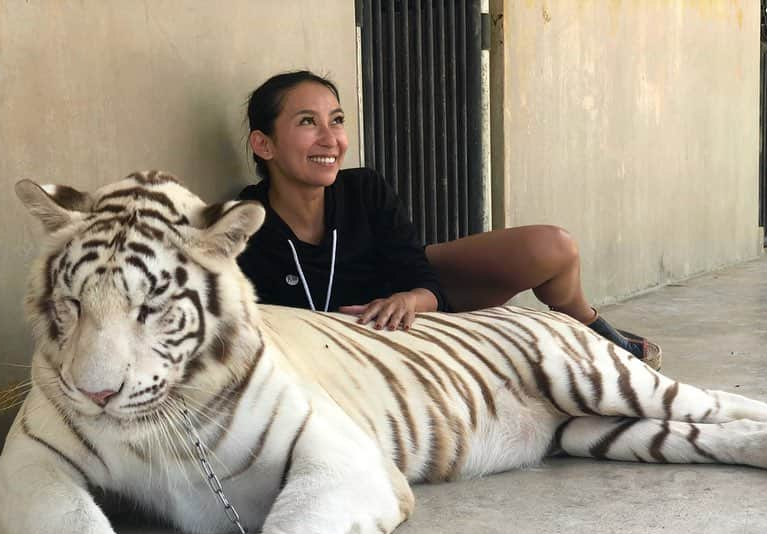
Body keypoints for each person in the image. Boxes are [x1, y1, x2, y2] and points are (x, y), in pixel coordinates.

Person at [237, 70, 661, 369]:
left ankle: (588, 324)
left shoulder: (364, 189)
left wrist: (409, 300)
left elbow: (425, 281)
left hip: (415, 318)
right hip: (353, 357)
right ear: (264, 144)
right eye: (308, 122)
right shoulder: (245, 226)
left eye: (338, 120)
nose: (331, 139)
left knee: (553, 247)